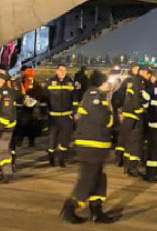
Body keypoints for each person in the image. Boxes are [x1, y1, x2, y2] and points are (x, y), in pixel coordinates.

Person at [60, 71, 119, 224]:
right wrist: (115, 116)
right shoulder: (95, 97)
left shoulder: (95, 95)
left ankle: (97, 211)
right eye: (107, 82)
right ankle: (69, 208)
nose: (110, 84)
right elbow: (104, 120)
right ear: (102, 83)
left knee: (99, 179)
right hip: (91, 146)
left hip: (96, 146)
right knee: (87, 179)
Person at [43, 64, 81, 167]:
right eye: (60, 70)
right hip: (53, 116)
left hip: (66, 116)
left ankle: (61, 159)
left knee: (64, 139)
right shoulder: (49, 82)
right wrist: (45, 113)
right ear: (56, 71)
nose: (62, 72)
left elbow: (75, 99)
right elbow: (44, 98)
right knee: (52, 138)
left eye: (64, 70)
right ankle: (51, 157)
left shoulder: (70, 82)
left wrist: (74, 113)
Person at [118, 65, 150, 177]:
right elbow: (137, 97)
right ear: (142, 72)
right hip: (135, 116)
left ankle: (127, 166)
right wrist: (140, 109)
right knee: (136, 142)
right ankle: (133, 168)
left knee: (129, 141)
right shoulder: (138, 81)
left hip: (128, 115)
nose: (148, 75)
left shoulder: (131, 81)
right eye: (147, 72)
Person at [0, 69, 19, 184]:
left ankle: (8, 173)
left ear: (3, 81)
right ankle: (4, 171)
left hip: (4, 128)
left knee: (3, 151)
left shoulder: (6, 94)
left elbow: (7, 113)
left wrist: (0, 127)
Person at [113, 64, 139, 166]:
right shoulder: (127, 82)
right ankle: (119, 157)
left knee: (131, 138)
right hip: (126, 114)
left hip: (135, 114)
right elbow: (119, 97)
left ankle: (127, 160)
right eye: (136, 69)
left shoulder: (139, 82)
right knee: (123, 136)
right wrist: (119, 111)